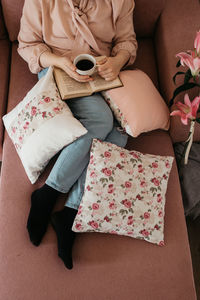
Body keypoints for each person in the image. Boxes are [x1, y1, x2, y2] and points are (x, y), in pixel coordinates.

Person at [17, 0, 137, 269]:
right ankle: (48, 194)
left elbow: (127, 42)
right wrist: (59, 61)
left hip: (102, 75)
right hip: (58, 70)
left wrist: (117, 61)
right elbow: (28, 45)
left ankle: (70, 212)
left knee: (119, 133)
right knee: (101, 119)